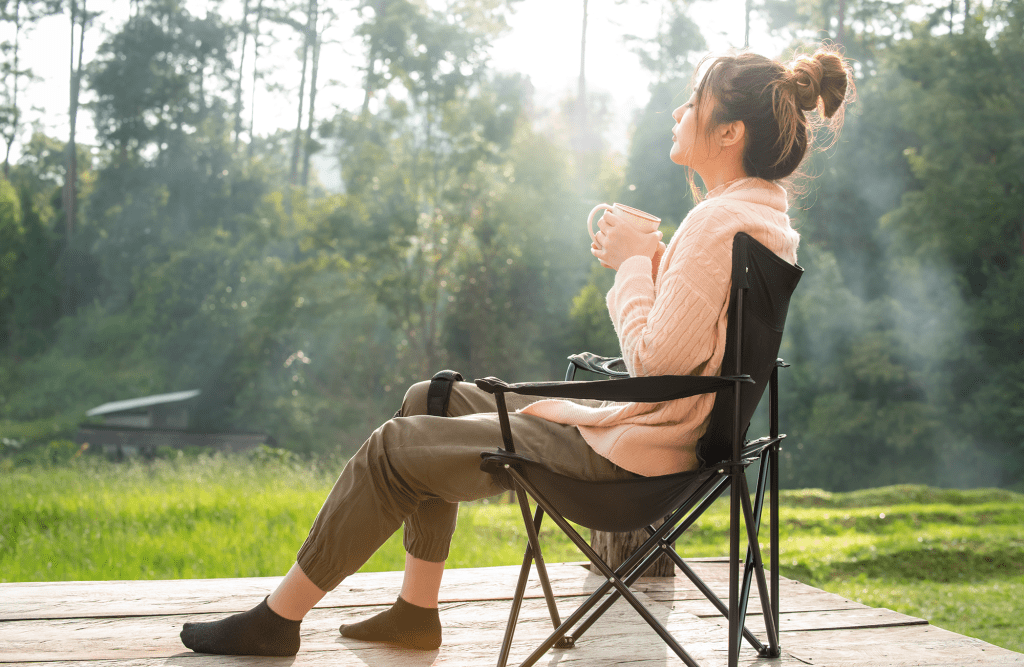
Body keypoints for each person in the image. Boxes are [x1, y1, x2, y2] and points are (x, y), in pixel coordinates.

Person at [179, 43, 854, 657]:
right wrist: (650, 257)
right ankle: (416, 609)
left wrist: (630, 264)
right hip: (655, 436)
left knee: (394, 447)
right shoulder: (759, 217)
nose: (680, 112)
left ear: (730, 132)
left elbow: (656, 367)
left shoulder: (714, 224)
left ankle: (278, 618)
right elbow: (694, 359)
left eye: (695, 103)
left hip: (632, 456)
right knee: (432, 398)